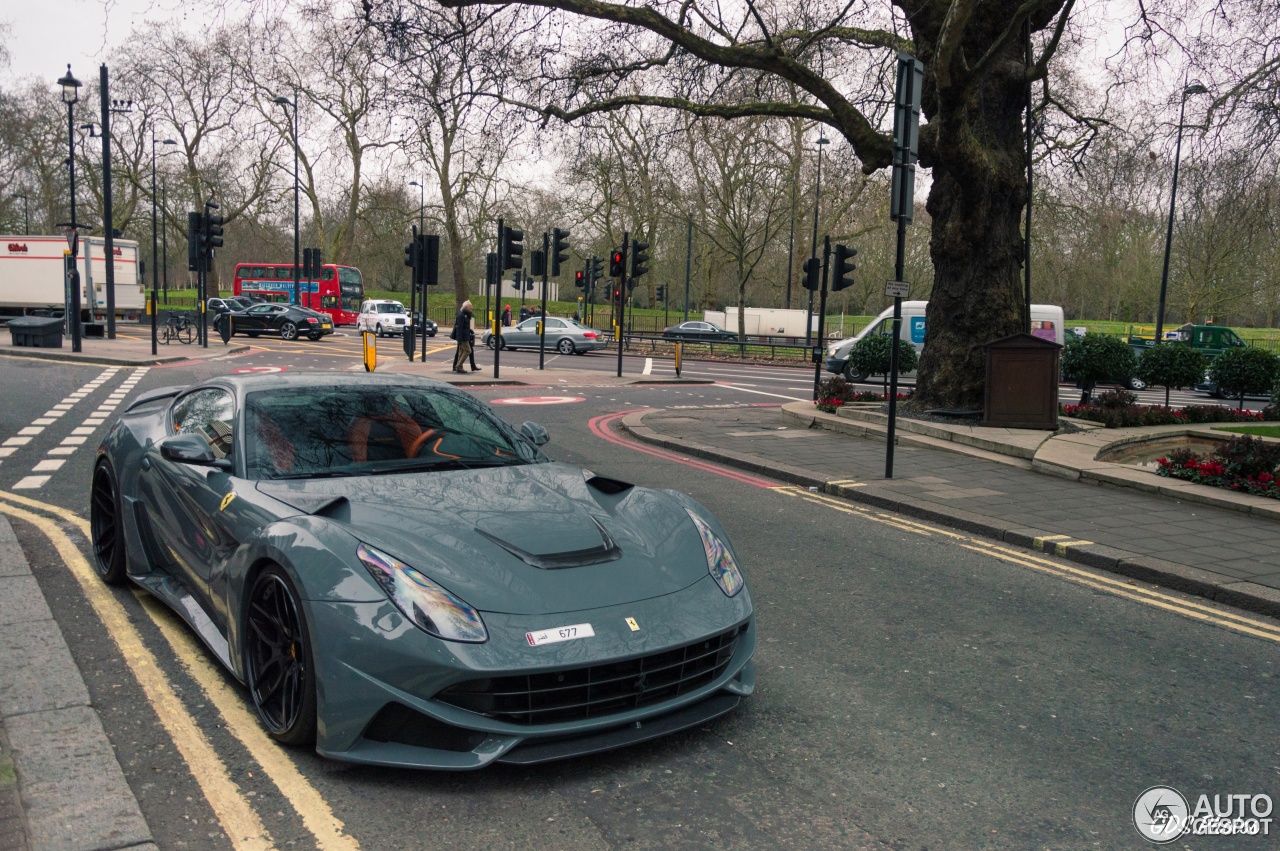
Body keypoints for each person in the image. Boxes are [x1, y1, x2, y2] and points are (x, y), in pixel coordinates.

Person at [452, 300, 478, 373]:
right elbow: (459, 328)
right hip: (463, 337)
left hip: (465, 336)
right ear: (466, 307)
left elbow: (465, 326)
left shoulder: (466, 315)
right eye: (470, 306)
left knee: (461, 351)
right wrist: (459, 339)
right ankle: (458, 365)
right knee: (468, 350)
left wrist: (469, 331)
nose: (471, 307)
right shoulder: (461, 315)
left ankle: (459, 367)